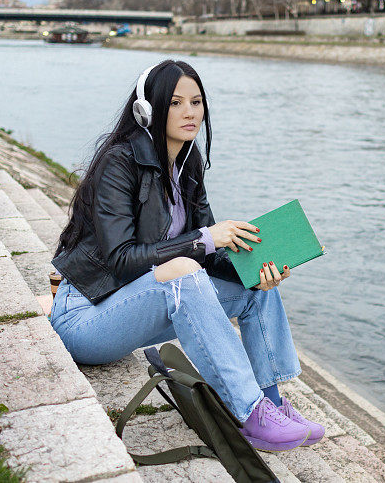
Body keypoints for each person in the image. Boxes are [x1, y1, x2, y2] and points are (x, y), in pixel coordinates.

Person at [49, 59, 324, 451]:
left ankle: (273, 403)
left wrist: (255, 271)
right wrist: (203, 239)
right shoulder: (119, 163)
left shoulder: (188, 165)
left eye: (196, 102)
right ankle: (247, 412)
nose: (190, 112)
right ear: (148, 110)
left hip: (136, 311)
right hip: (86, 318)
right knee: (182, 269)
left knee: (254, 290)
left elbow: (211, 257)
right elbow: (121, 260)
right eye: (176, 103)